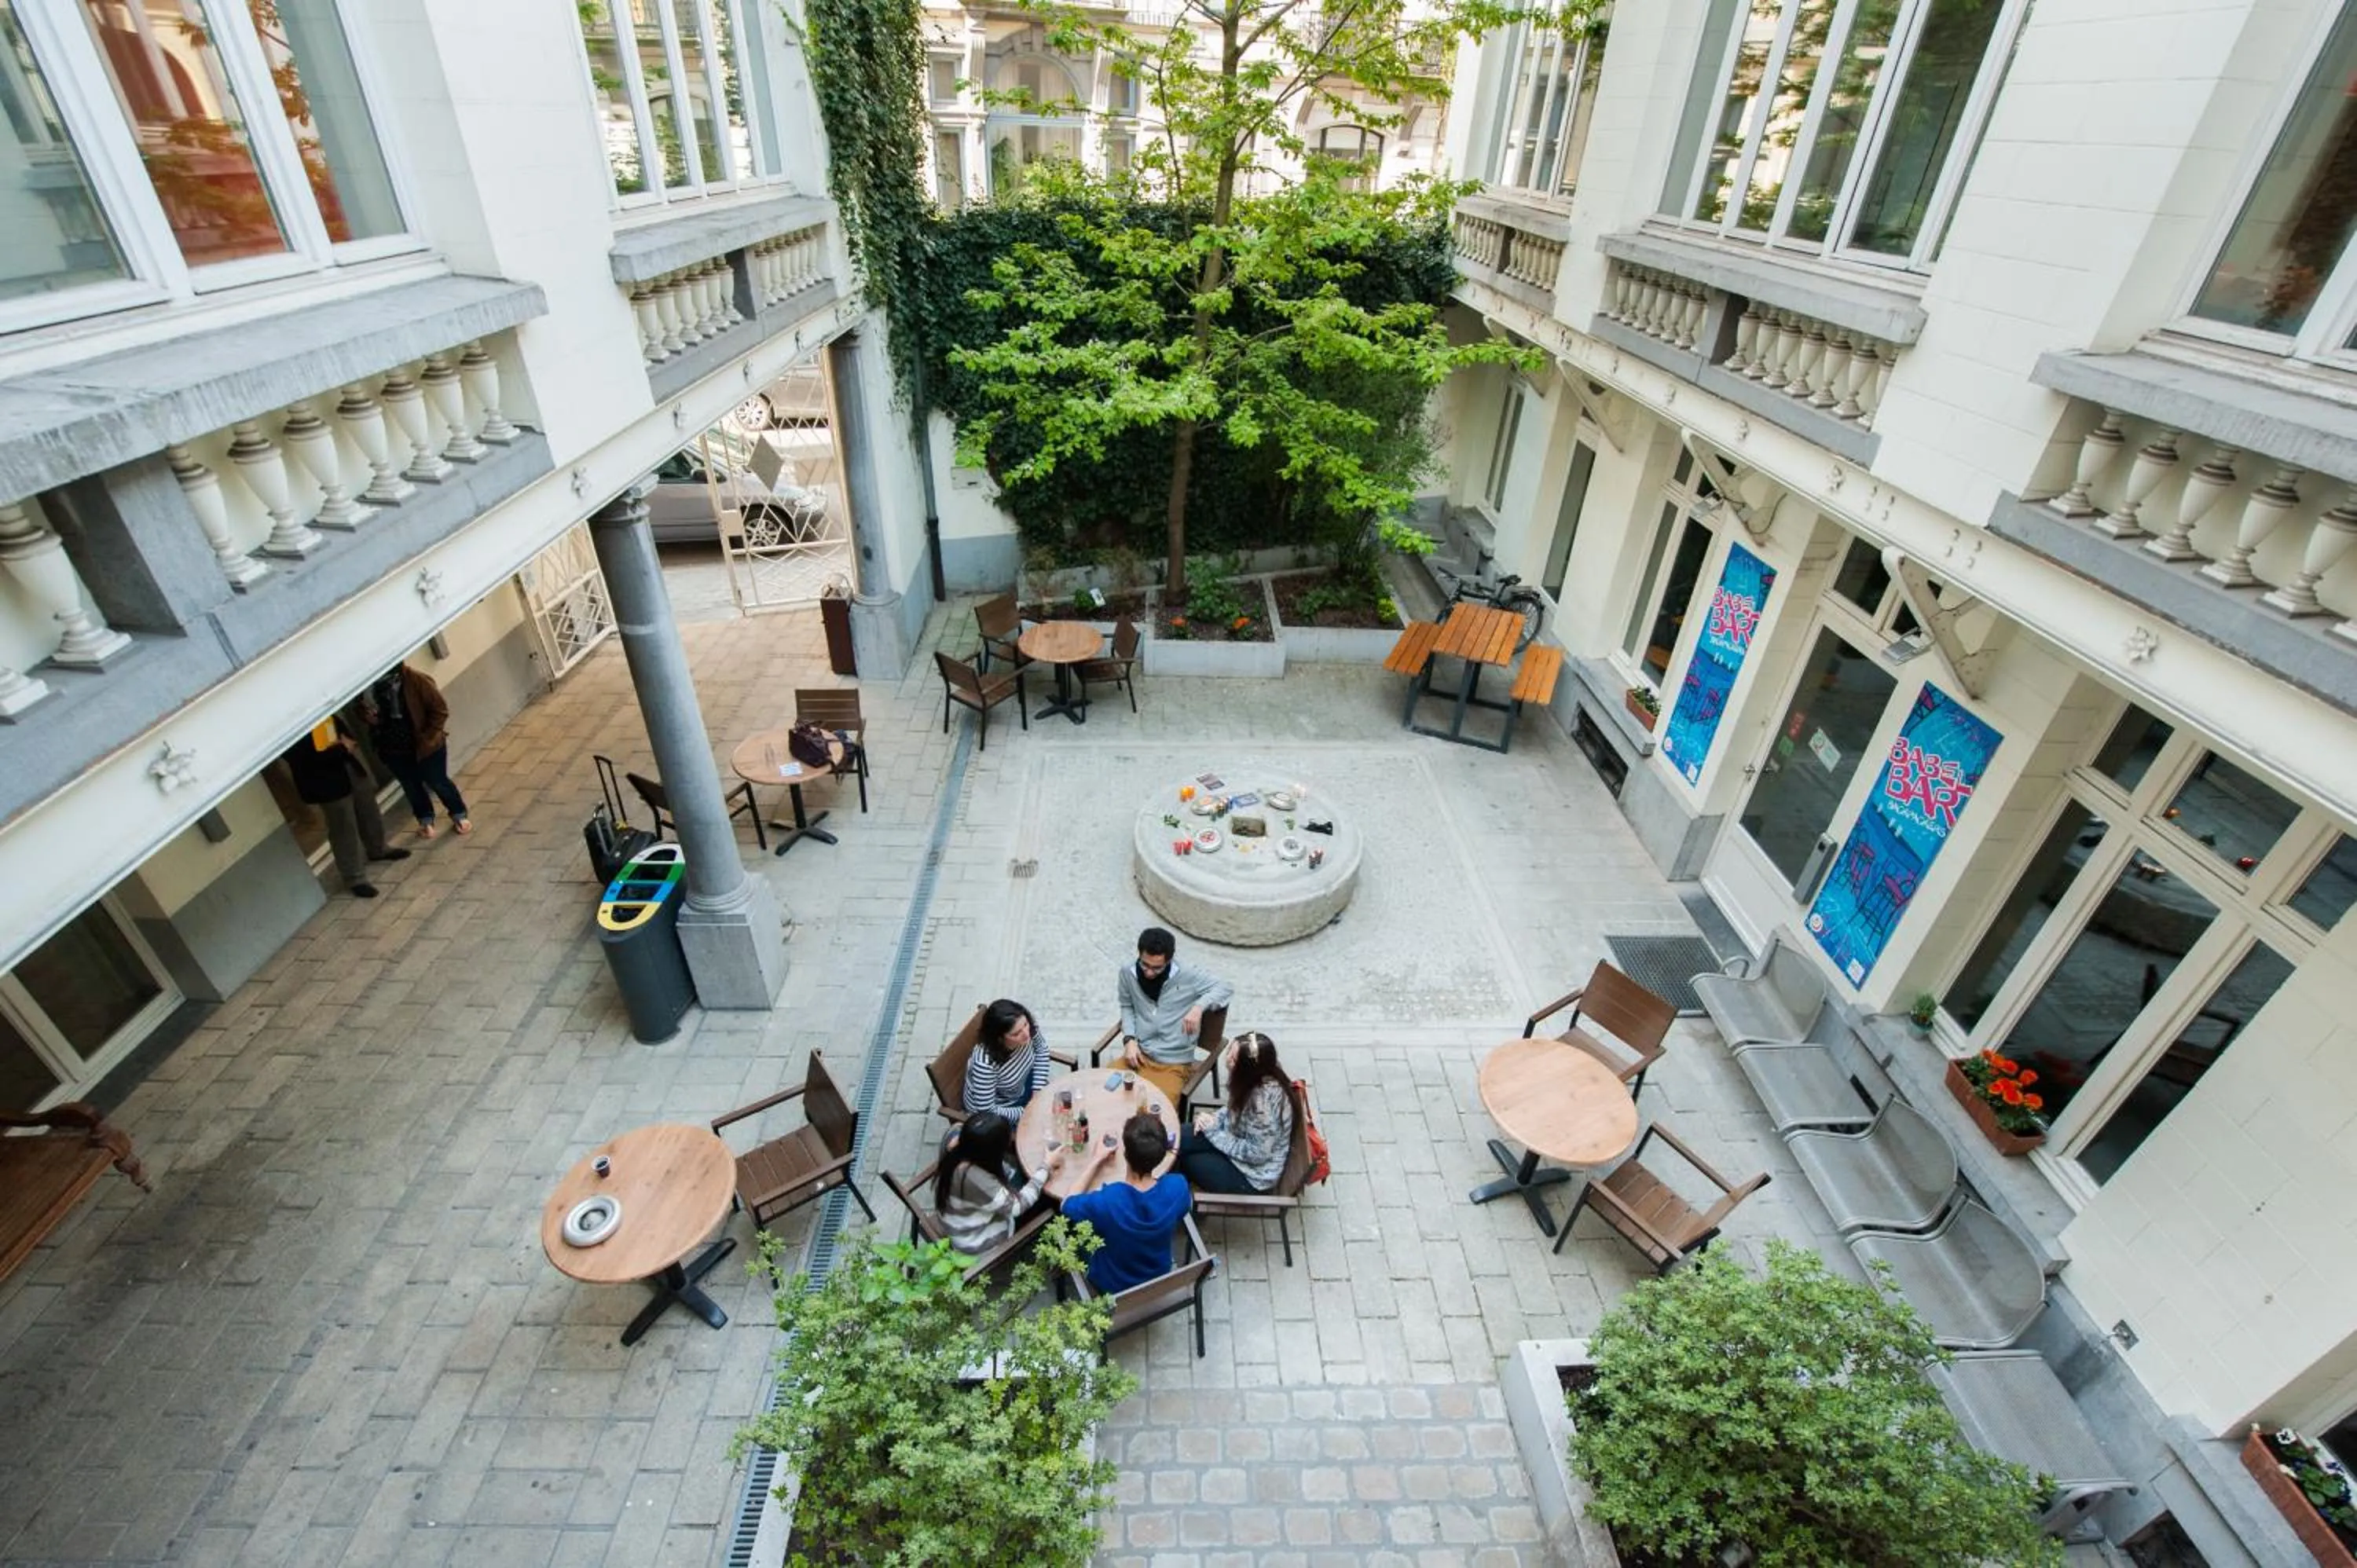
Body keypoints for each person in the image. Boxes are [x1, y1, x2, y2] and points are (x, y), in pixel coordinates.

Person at [1061, 1109, 1191, 1295]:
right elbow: (1183, 1209)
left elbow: (1067, 1205)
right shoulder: (1177, 1188)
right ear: (1163, 1155)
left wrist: (1096, 1159)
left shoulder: (1109, 1200)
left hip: (1111, 1284)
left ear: (1126, 1154)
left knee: (1075, 1229)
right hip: (1158, 1274)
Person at [280, 720, 409, 899]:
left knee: (368, 809)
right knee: (343, 826)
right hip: (326, 780)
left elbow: (339, 726)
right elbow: (302, 756)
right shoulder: (286, 725)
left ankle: (378, 848)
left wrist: (346, 742)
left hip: (348, 766)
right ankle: (355, 877)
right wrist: (341, 749)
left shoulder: (317, 709)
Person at [1116, 927, 1233, 1105]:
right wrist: (1129, 1040)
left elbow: (1226, 988)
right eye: (1144, 965)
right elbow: (1127, 1005)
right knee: (1102, 1092)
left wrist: (1198, 1008)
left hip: (1173, 1063)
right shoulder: (1127, 972)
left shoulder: (1187, 975)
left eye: (1157, 968)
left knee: (1153, 1112)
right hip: (1139, 1053)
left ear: (1169, 960)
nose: (1148, 972)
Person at [361, 662, 471, 840]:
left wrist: (428, 738)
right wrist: (368, 718)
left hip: (426, 747)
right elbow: (360, 709)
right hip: (393, 748)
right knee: (411, 786)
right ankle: (425, 820)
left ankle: (459, 814)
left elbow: (440, 710)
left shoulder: (416, 680)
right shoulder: (367, 688)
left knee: (438, 781)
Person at [1177, 1031, 1296, 1194]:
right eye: (1230, 1053)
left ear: (1248, 1070)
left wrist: (1213, 1132)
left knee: (1186, 1159)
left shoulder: (1262, 1111)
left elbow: (1257, 1154)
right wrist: (1215, 1119)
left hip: (1251, 1175)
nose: (1227, 1061)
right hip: (1234, 1134)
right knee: (1177, 1137)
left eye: (1233, 1060)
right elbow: (1234, 1109)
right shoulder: (1262, 1073)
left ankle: (1177, 1203)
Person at [934, 1110, 1059, 1255]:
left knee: (1021, 1171)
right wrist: (1046, 1166)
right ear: (992, 1151)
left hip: (959, 1216)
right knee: (1048, 1197)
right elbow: (1018, 1207)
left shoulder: (955, 1138)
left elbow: (958, 1127)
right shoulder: (979, 1180)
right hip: (977, 1241)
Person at [962, 998, 1054, 1119]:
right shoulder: (985, 1064)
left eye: (1025, 1025)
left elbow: (1041, 1049)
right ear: (999, 1038)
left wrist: (1037, 1090)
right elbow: (987, 1110)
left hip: (1022, 1086)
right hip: (1002, 1107)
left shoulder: (1024, 1024)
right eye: (1016, 1034)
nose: (1026, 1034)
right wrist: (1027, 1111)